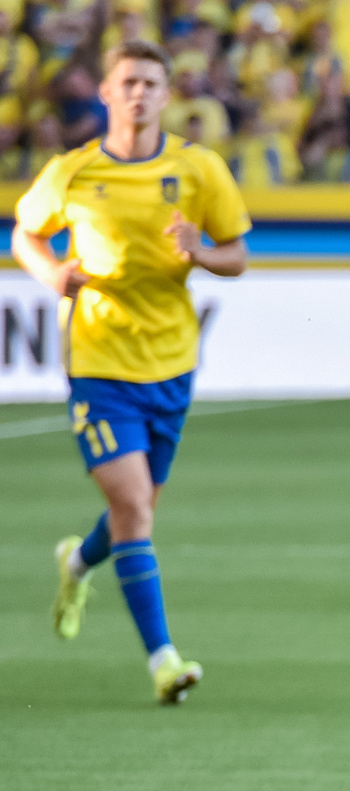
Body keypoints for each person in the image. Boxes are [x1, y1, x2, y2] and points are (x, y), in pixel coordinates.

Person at [19, 40, 250, 704]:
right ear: (106, 93)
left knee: (136, 508)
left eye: (152, 82)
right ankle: (164, 660)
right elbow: (25, 233)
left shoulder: (199, 169)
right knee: (133, 507)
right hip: (97, 361)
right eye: (129, 82)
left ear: (167, 95)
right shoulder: (74, 172)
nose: (140, 93)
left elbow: (237, 254)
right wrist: (50, 272)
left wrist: (202, 254)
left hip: (172, 363)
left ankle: (77, 561)